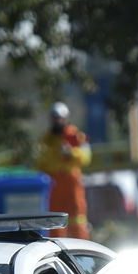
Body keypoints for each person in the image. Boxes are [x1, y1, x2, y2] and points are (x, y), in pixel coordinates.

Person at [35, 101, 91, 239]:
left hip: (71, 184)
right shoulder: (45, 139)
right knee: (54, 218)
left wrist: (71, 152)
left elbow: (86, 157)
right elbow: (39, 162)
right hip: (53, 185)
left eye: (60, 118)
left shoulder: (75, 136)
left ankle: (82, 249)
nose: (57, 121)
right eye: (54, 118)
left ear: (66, 118)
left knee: (76, 217)